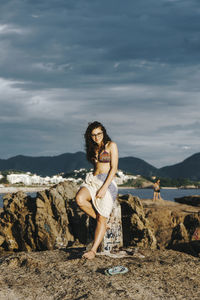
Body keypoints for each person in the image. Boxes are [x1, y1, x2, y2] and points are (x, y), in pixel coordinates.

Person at [76, 121, 118, 259]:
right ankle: (103, 223)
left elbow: (113, 168)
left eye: (99, 133)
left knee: (102, 217)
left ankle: (93, 250)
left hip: (107, 182)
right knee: (79, 199)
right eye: (93, 135)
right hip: (93, 180)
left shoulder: (111, 146)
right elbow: (97, 167)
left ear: (103, 132)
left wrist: (104, 188)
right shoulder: (92, 148)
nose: (96, 137)